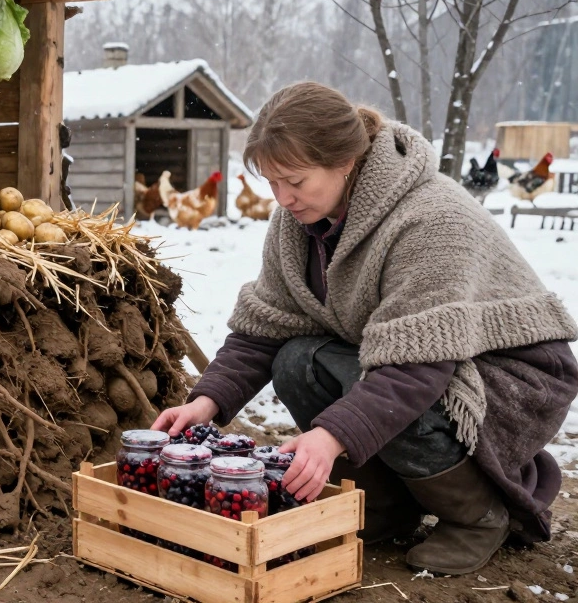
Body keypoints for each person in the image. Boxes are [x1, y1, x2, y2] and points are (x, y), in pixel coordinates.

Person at [154, 81, 578, 576]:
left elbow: (416, 367)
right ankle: (387, 505)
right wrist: (205, 402)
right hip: (403, 356)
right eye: (272, 181)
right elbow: (264, 327)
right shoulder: (298, 221)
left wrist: (331, 435)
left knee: (366, 387)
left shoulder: (432, 220)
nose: (282, 197)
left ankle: (479, 516)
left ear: (346, 162)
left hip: (507, 375)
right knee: (298, 361)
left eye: (294, 179)